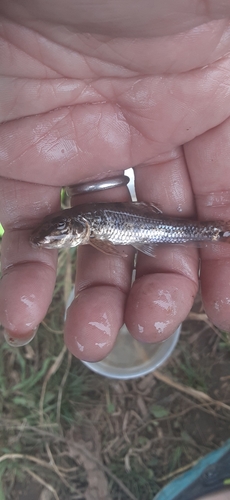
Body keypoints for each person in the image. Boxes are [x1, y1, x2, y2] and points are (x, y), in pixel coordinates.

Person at [1, 0, 230, 366]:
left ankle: (216, 232)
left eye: (58, 232)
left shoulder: (90, 224)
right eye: (55, 232)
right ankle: (214, 232)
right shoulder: (85, 223)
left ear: (77, 227)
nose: (51, 239)